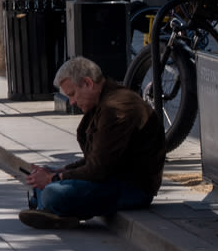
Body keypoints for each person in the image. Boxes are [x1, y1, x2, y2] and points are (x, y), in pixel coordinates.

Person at [20, 57, 167, 229]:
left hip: (132, 188)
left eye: (73, 94)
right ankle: (51, 208)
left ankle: (50, 205)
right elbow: (95, 158)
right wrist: (58, 171)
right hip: (109, 178)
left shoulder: (116, 108)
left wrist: (53, 178)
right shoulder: (101, 103)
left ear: (88, 83)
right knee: (48, 181)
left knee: (53, 192)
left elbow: (98, 169)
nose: (72, 102)